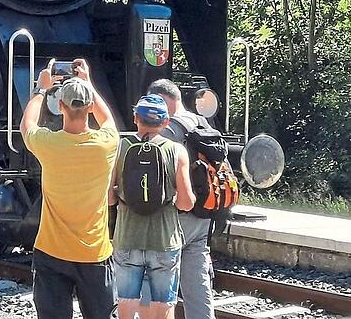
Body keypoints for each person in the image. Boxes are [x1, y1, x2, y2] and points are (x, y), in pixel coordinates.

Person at [19, 59, 118, 319]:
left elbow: (26, 125)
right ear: (88, 108)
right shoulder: (106, 144)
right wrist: (88, 82)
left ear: (60, 105)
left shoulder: (49, 144)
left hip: (51, 251)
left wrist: (41, 90)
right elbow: (107, 118)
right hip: (94, 254)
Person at [110, 94, 195, 319]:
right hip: (165, 239)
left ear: (135, 117)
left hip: (127, 238)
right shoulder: (177, 151)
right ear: (166, 122)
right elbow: (186, 203)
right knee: (164, 302)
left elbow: (108, 198)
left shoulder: (119, 148)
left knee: (126, 300)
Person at [149, 79, 216, 319]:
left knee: (158, 282)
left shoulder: (170, 131)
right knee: (197, 282)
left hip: (177, 217)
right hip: (204, 214)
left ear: (164, 101)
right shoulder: (202, 122)